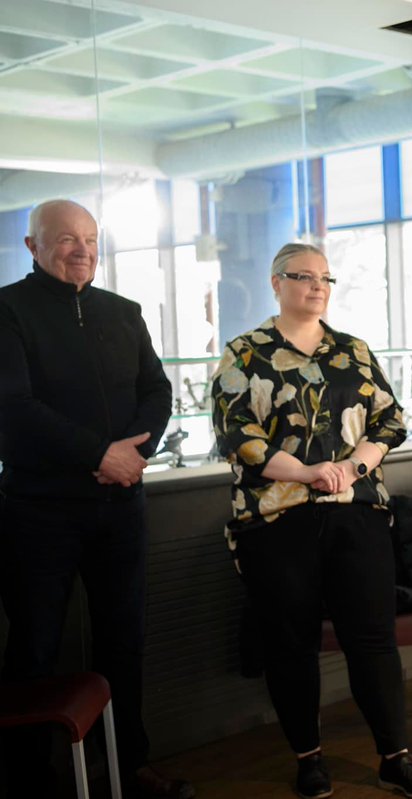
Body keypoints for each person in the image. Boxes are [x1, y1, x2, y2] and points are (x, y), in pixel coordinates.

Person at [210, 242, 412, 799]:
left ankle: (394, 757)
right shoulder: (245, 354)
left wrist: (351, 466)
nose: (317, 286)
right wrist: (311, 471)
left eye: (326, 278)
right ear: (275, 282)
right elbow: (237, 436)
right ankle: (308, 759)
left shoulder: (352, 351)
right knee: (290, 643)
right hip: (275, 520)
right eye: (304, 276)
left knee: (373, 639)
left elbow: (389, 419)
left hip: (356, 513)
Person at [0, 200, 193, 798]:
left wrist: (133, 455)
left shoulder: (124, 311)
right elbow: (14, 407)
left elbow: (157, 391)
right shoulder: (7, 309)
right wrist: (98, 454)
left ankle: (128, 767)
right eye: (64, 240)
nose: (81, 250)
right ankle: (30, 780)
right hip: (39, 511)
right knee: (35, 647)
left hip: (121, 508)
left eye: (89, 239)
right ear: (33, 247)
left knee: (123, 641)